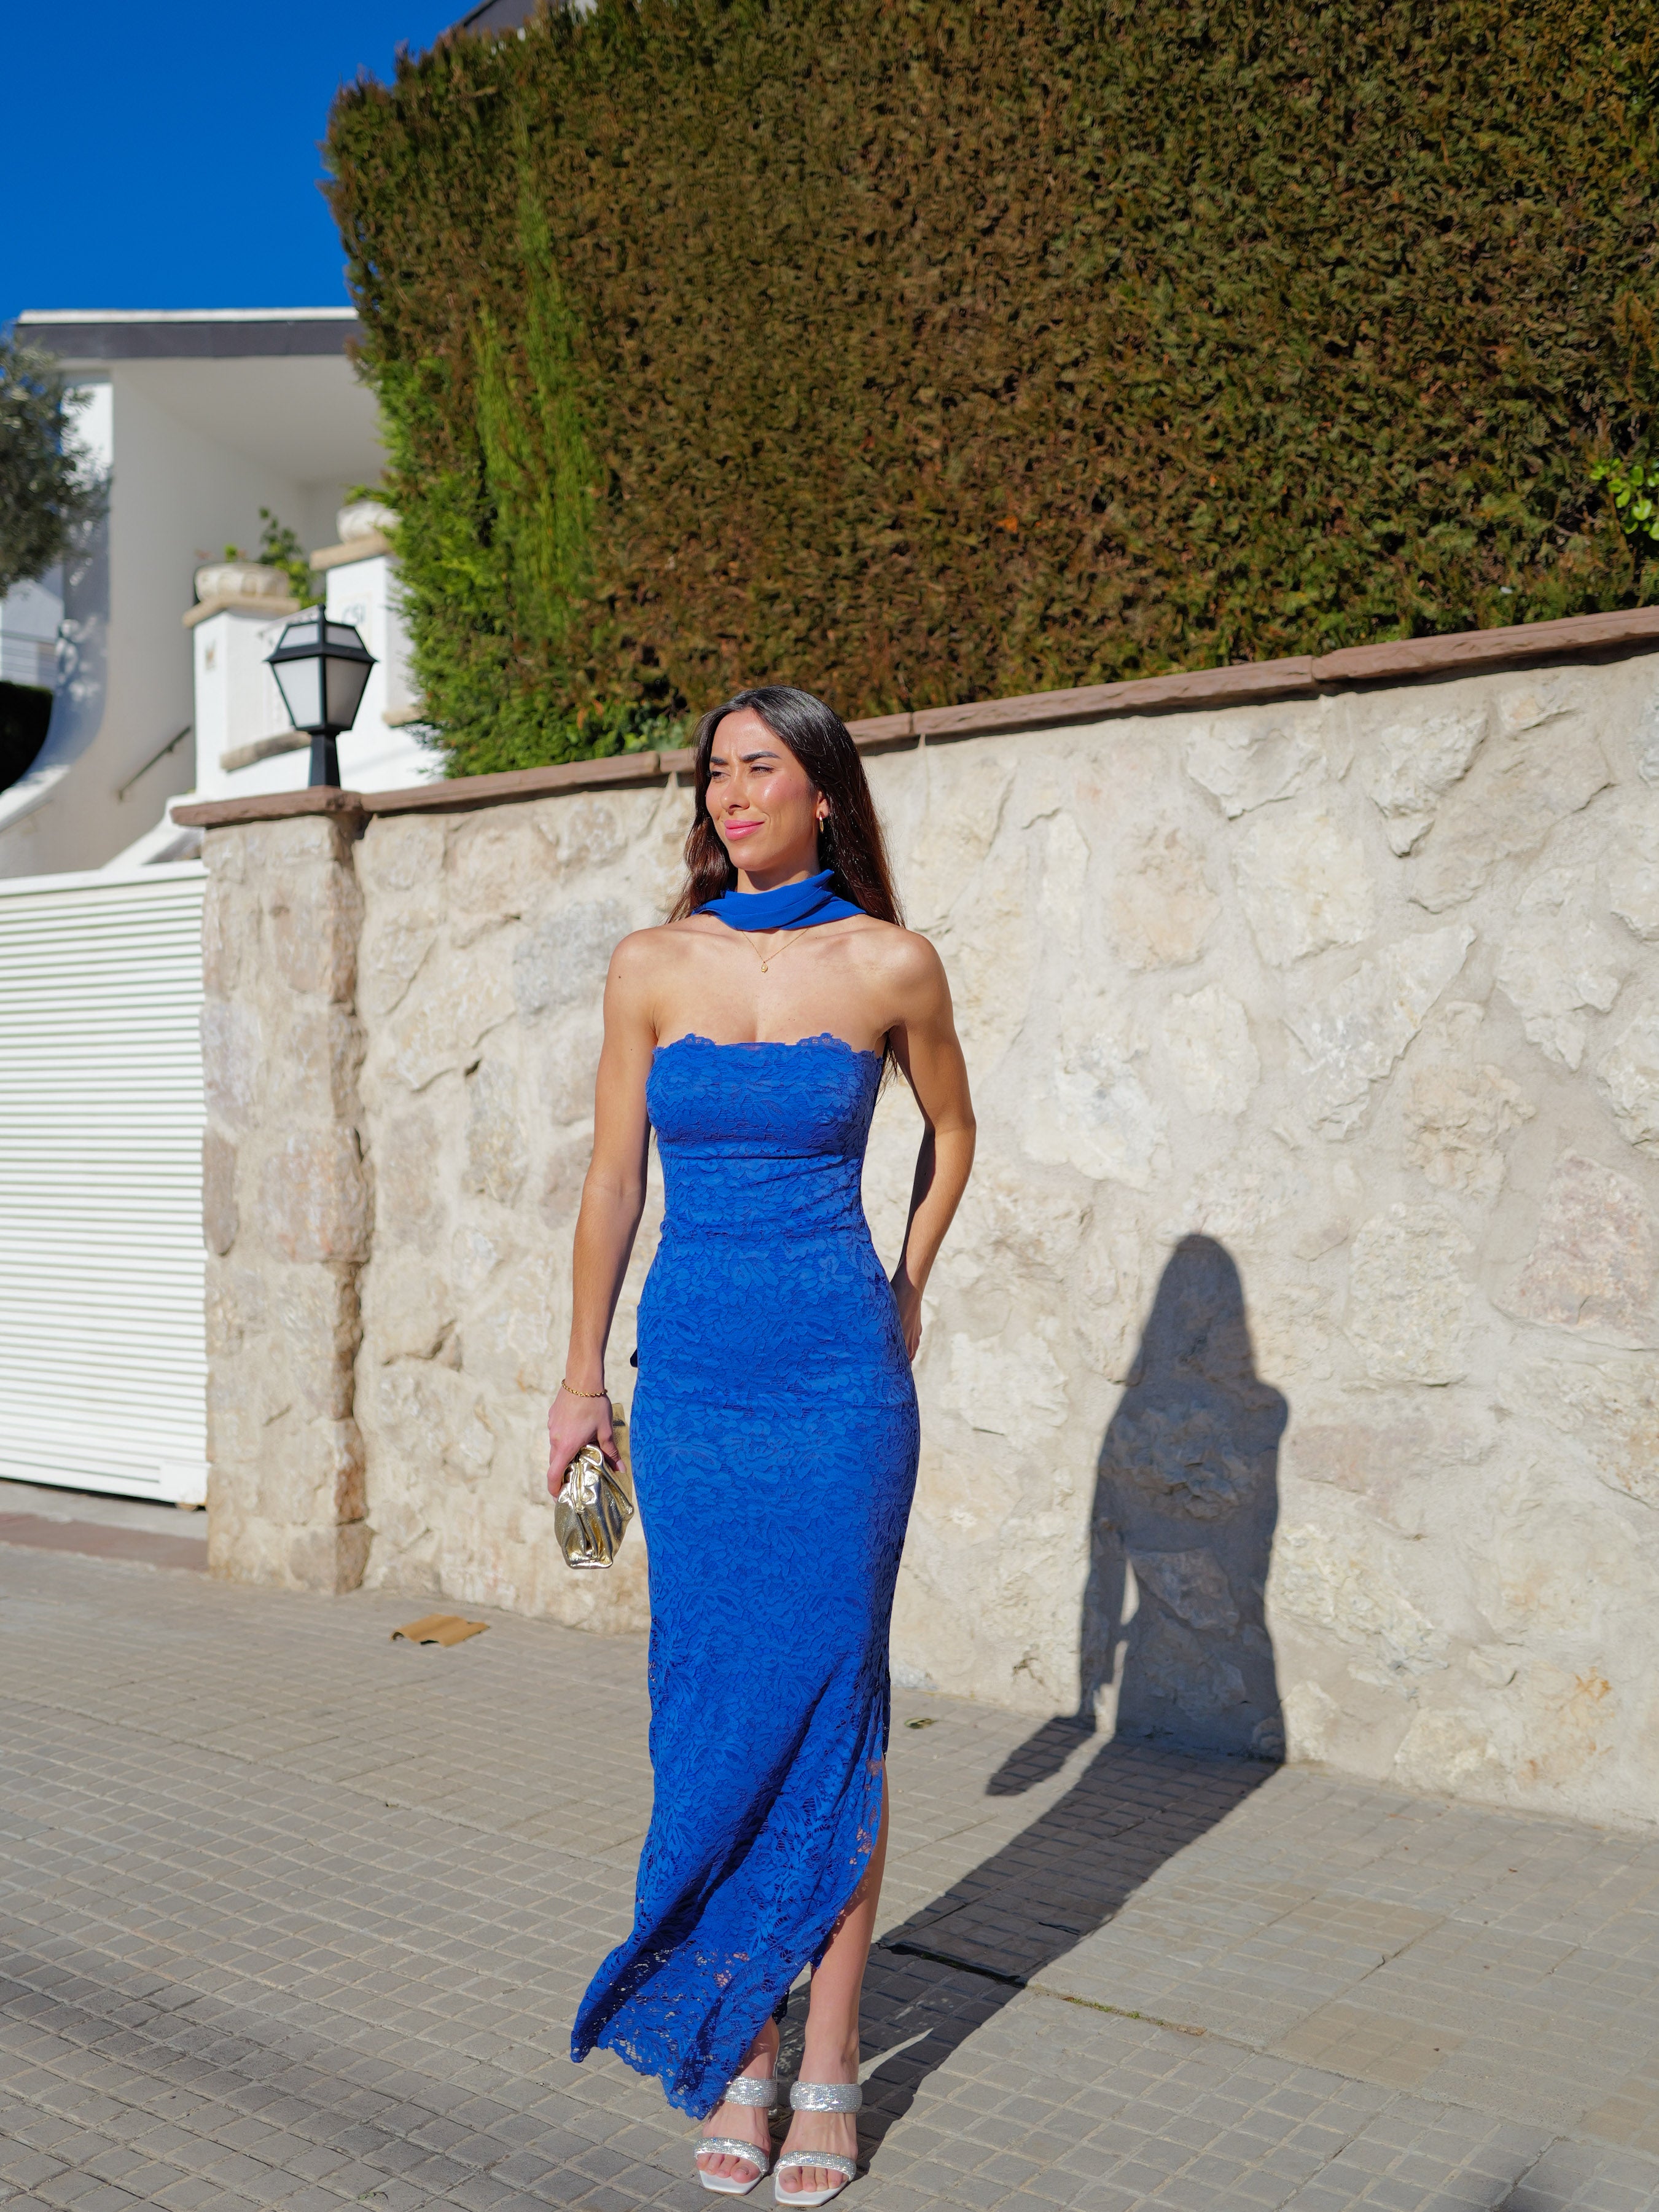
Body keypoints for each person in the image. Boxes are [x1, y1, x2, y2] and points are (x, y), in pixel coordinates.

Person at [550, 685, 975, 2205]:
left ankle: (834, 2060)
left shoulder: (889, 962)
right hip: (698, 1385)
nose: (732, 795)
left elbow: (954, 1133)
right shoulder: (651, 965)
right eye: (717, 772)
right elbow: (610, 1183)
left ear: (823, 793)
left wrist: (907, 1285)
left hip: (840, 1378)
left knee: (834, 1705)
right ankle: (742, 2040)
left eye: (761, 770)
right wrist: (580, 1376)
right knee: (712, 1705)